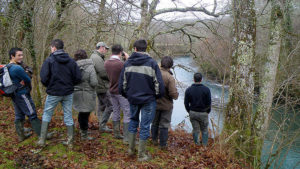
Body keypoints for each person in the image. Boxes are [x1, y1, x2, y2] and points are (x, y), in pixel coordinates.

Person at [119, 39, 165, 161]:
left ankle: (131, 150)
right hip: (148, 100)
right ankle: (141, 155)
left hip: (133, 98)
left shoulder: (127, 63)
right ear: (146, 49)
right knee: (145, 126)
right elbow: (159, 86)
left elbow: (122, 85)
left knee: (133, 122)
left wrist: (128, 95)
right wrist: (155, 96)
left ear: (135, 49)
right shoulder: (152, 63)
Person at [38, 39, 81, 148]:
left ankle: (42, 141)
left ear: (54, 48)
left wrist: (50, 85)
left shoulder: (49, 60)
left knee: (47, 114)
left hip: (53, 92)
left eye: (51, 47)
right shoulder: (71, 61)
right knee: (68, 115)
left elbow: (43, 78)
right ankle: (70, 142)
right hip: (68, 92)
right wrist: (70, 85)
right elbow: (78, 78)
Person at [7, 47, 41, 142]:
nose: (21, 57)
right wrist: (25, 75)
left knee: (19, 115)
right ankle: (42, 135)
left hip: (14, 94)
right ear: (12, 56)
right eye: (19, 55)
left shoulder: (7, 67)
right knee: (32, 113)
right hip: (22, 94)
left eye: (22, 55)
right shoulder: (17, 68)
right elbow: (28, 79)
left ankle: (21, 136)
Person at [104, 44, 130, 142]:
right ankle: (127, 138)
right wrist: (127, 58)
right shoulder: (121, 64)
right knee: (127, 113)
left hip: (111, 90)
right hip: (121, 91)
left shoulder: (106, 63)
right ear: (121, 52)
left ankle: (117, 133)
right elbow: (130, 69)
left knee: (116, 112)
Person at [151, 56, 178, 150]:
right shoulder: (169, 77)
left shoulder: (154, 73)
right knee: (164, 125)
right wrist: (176, 95)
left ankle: (154, 140)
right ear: (170, 66)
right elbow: (173, 94)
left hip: (154, 103)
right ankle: (162, 145)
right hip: (166, 105)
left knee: (154, 123)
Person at [73, 50, 98, 141]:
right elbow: (94, 82)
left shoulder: (73, 66)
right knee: (85, 113)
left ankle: (81, 130)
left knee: (81, 112)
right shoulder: (90, 67)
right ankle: (84, 135)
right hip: (87, 93)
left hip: (76, 93)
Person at [90, 42, 113, 132]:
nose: (106, 51)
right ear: (102, 48)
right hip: (101, 85)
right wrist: (111, 78)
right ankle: (102, 125)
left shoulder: (96, 57)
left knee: (102, 105)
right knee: (110, 106)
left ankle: (101, 124)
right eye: (106, 49)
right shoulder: (96, 57)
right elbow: (103, 72)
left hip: (99, 85)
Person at [184, 73, 211, 146]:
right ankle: (204, 145)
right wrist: (207, 111)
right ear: (201, 80)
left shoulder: (188, 90)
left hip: (193, 112)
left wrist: (189, 111)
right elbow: (209, 103)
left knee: (196, 130)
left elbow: (186, 103)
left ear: (193, 79)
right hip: (203, 113)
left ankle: (197, 145)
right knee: (204, 130)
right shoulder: (206, 90)